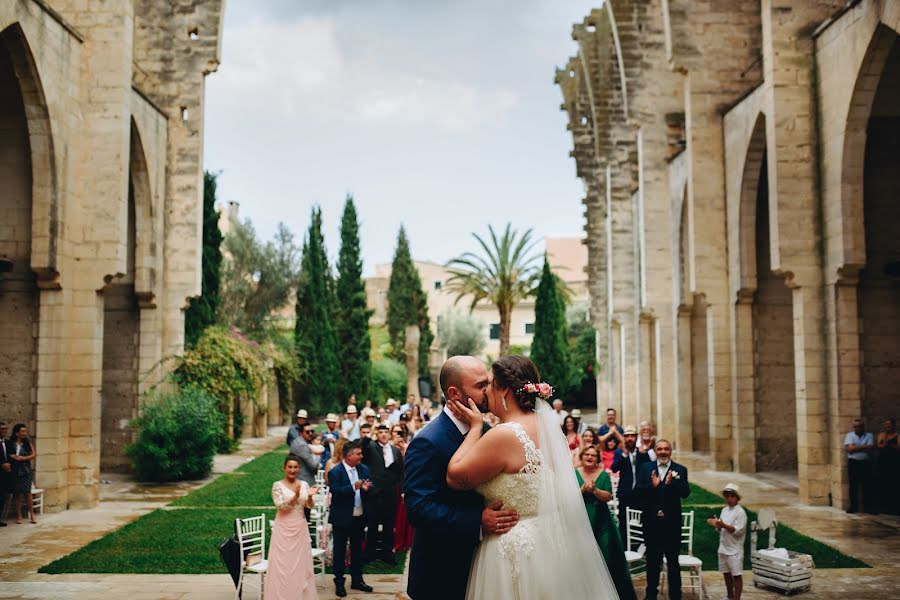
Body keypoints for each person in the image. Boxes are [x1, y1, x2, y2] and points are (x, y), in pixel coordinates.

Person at [444, 354, 620, 599]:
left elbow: (455, 477)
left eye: (489, 385)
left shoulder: (503, 435)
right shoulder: (544, 426)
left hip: (512, 548)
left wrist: (475, 428)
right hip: (549, 544)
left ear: (504, 390)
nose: (485, 393)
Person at [403, 355, 519, 600]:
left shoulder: (489, 432)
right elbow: (418, 508)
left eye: (487, 383)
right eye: (479, 386)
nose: (488, 390)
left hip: (487, 567)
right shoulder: (427, 441)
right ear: (454, 394)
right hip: (441, 573)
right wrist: (477, 521)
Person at [576, 446, 637, 600]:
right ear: (582, 457)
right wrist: (582, 490)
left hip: (601, 521)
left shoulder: (603, 475)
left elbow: (608, 496)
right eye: (587, 454)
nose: (590, 457)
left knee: (606, 557)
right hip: (579, 519)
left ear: (598, 459)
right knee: (582, 557)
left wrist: (595, 490)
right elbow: (568, 496)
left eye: (593, 455)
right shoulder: (573, 473)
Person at [636, 439, 690, 600]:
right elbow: (637, 491)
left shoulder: (680, 469)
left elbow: (685, 492)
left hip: (671, 524)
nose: (663, 452)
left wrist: (671, 484)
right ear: (655, 451)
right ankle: (651, 594)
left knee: (673, 562)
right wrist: (652, 486)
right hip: (652, 524)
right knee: (653, 561)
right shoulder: (646, 468)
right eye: (660, 449)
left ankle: (675, 596)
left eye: (666, 449)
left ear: (670, 451)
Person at [266, 455, 319, 600]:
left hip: (299, 528)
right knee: (283, 565)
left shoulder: (304, 484)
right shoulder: (277, 485)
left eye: (295, 467)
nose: (292, 470)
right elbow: (280, 506)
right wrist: (295, 496)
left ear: (299, 469)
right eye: (290, 467)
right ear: (284, 468)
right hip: (283, 529)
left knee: (300, 565)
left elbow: (309, 506)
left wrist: (309, 497)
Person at [328, 441, 374, 597]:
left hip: (359, 517)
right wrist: (352, 488)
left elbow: (368, 488)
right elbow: (335, 491)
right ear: (349, 456)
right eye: (358, 454)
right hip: (341, 518)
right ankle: (339, 581)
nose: (361, 456)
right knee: (339, 551)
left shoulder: (364, 469)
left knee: (357, 550)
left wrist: (367, 489)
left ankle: (357, 579)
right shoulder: (335, 472)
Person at [361, 423, 402, 564]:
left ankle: (387, 553)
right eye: (381, 432)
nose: (383, 434)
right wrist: (370, 434)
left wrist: (400, 489)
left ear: (390, 434)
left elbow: (399, 471)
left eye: (386, 432)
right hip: (374, 492)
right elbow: (362, 446)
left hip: (390, 493)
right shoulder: (370, 447)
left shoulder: (395, 450)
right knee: (372, 524)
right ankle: (370, 553)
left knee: (389, 525)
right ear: (377, 434)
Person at [707, 483, 747, 600]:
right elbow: (720, 529)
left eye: (732, 496)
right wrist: (717, 525)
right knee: (726, 573)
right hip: (723, 547)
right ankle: (729, 596)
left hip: (735, 549)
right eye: (727, 496)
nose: (729, 499)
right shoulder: (724, 510)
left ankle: (737, 598)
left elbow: (738, 530)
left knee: (736, 575)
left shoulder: (740, 512)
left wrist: (723, 525)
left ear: (737, 498)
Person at [611, 425, 650, 545]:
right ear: (624, 438)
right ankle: (624, 544)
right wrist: (623, 455)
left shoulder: (642, 452)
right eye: (627, 436)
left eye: (632, 436)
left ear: (636, 437)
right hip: (625, 492)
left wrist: (644, 454)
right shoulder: (619, 452)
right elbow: (614, 468)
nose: (629, 439)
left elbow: (649, 468)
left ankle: (642, 543)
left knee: (643, 518)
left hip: (641, 492)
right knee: (623, 519)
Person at [844, 418, 876, 513]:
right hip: (854, 463)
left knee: (868, 486)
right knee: (853, 486)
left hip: (866, 463)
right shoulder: (849, 435)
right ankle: (853, 507)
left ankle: (868, 507)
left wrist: (855, 447)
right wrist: (863, 446)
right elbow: (849, 450)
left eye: (860, 426)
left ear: (863, 427)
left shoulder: (869, 435)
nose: (857, 428)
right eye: (855, 427)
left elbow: (870, 448)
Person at [10, 423, 37, 524]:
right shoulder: (11, 442)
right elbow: (8, 454)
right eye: (22, 431)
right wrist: (13, 457)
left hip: (26, 470)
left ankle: (32, 515)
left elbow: (33, 454)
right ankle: (19, 515)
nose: (25, 433)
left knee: (27, 493)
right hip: (15, 471)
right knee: (17, 494)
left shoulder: (27, 442)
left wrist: (24, 458)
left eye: (25, 431)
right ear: (17, 433)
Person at [876, 418, 899, 515]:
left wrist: (887, 445)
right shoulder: (882, 435)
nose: (888, 427)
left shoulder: (897, 436)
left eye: (889, 425)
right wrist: (885, 442)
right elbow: (878, 445)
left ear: (893, 425)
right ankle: (883, 507)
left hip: (894, 463)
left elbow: (898, 447)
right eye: (886, 425)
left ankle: (894, 508)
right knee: (882, 484)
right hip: (883, 463)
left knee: (894, 485)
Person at [288, 424, 320, 488]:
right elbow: (314, 465)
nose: (310, 433)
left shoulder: (297, 441)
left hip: (299, 477)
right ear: (301, 433)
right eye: (307, 432)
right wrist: (318, 455)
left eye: (312, 431)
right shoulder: (302, 445)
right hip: (305, 479)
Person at [0, 423, 12, 526]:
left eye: (6, 429)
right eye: (2, 429)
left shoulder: (8, 443)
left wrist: (9, 465)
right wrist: (2, 465)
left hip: (5, 476)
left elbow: (11, 456)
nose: (5, 431)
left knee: (2, 497)